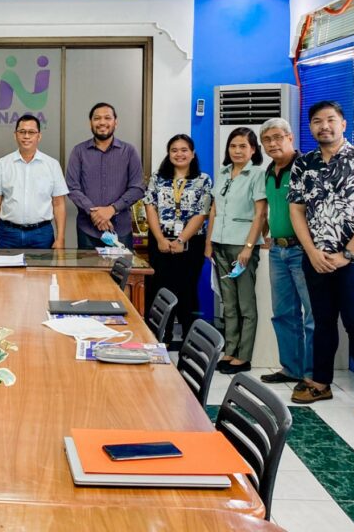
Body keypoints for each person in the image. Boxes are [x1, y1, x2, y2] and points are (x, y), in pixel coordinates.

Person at [289, 101, 354, 424]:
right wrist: (312, 251)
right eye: (317, 121)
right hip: (316, 259)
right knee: (322, 321)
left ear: (343, 123)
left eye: (330, 120)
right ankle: (320, 382)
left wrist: (346, 254)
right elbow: (297, 211)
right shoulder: (304, 165)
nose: (324, 126)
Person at [206, 127, 267, 375]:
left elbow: (260, 213)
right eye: (233, 146)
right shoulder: (222, 173)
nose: (237, 150)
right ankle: (230, 350)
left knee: (245, 304)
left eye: (243, 146)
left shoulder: (257, 175)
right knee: (228, 303)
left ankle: (244, 355)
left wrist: (248, 247)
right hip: (221, 243)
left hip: (242, 246)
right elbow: (214, 209)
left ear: (253, 150)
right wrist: (209, 242)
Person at [259, 117, 313, 391]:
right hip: (278, 250)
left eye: (278, 137)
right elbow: (270, 210)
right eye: (267, 140)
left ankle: (311, 375)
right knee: (282, 313)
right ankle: (291, 368)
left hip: (303, 250)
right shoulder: (269, 171)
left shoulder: (307, 168)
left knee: (311, 315)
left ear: (290, 138)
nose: (272, 143)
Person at [143, 134, 212, 347]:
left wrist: (182, 239)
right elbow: (150, 207)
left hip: (191, 243)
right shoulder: (158, 178)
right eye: (174, 150)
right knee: (159, 289)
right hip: (160, 242)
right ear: (168, 153)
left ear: (192, 154)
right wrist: (160, 238)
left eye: (184, 150)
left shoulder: (203, 179)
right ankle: (161, 336)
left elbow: (202, 212)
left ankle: (189, 342)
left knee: (187, 289)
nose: (179, 154)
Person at [66, 102, 144, 249]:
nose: (102, 122)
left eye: (107, 118)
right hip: (87, 231)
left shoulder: (129, 152)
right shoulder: (79, 151)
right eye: (97, 118)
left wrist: (112, 209)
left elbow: (138, 188)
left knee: (121, 272)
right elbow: (72, 187)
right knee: (87, 272)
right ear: (90, 123)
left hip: (121, 230)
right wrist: (94, 213)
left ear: (116, 122)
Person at [0, 114, 69, 250]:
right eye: (22, 132)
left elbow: (59, 204)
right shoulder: (2, 164)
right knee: (5, 271)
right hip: (8, 233)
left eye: (31, 132)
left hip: (42, 234)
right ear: (15, 135)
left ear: (39, 136)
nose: (26, 136)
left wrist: (60, 239)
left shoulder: (52, 165)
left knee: (42, 272)